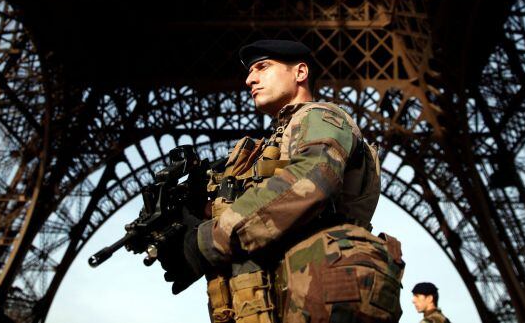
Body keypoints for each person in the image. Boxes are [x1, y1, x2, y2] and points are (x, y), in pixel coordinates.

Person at [158, 39, 405, 323]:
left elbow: (311, 179)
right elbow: (266, 202)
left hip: (321, 293)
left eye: (262, 67)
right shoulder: (274, 144)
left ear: (300, 73)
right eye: (250, 71)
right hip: (284, 299)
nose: (250, 79)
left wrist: (205, 241)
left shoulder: (320, 116)